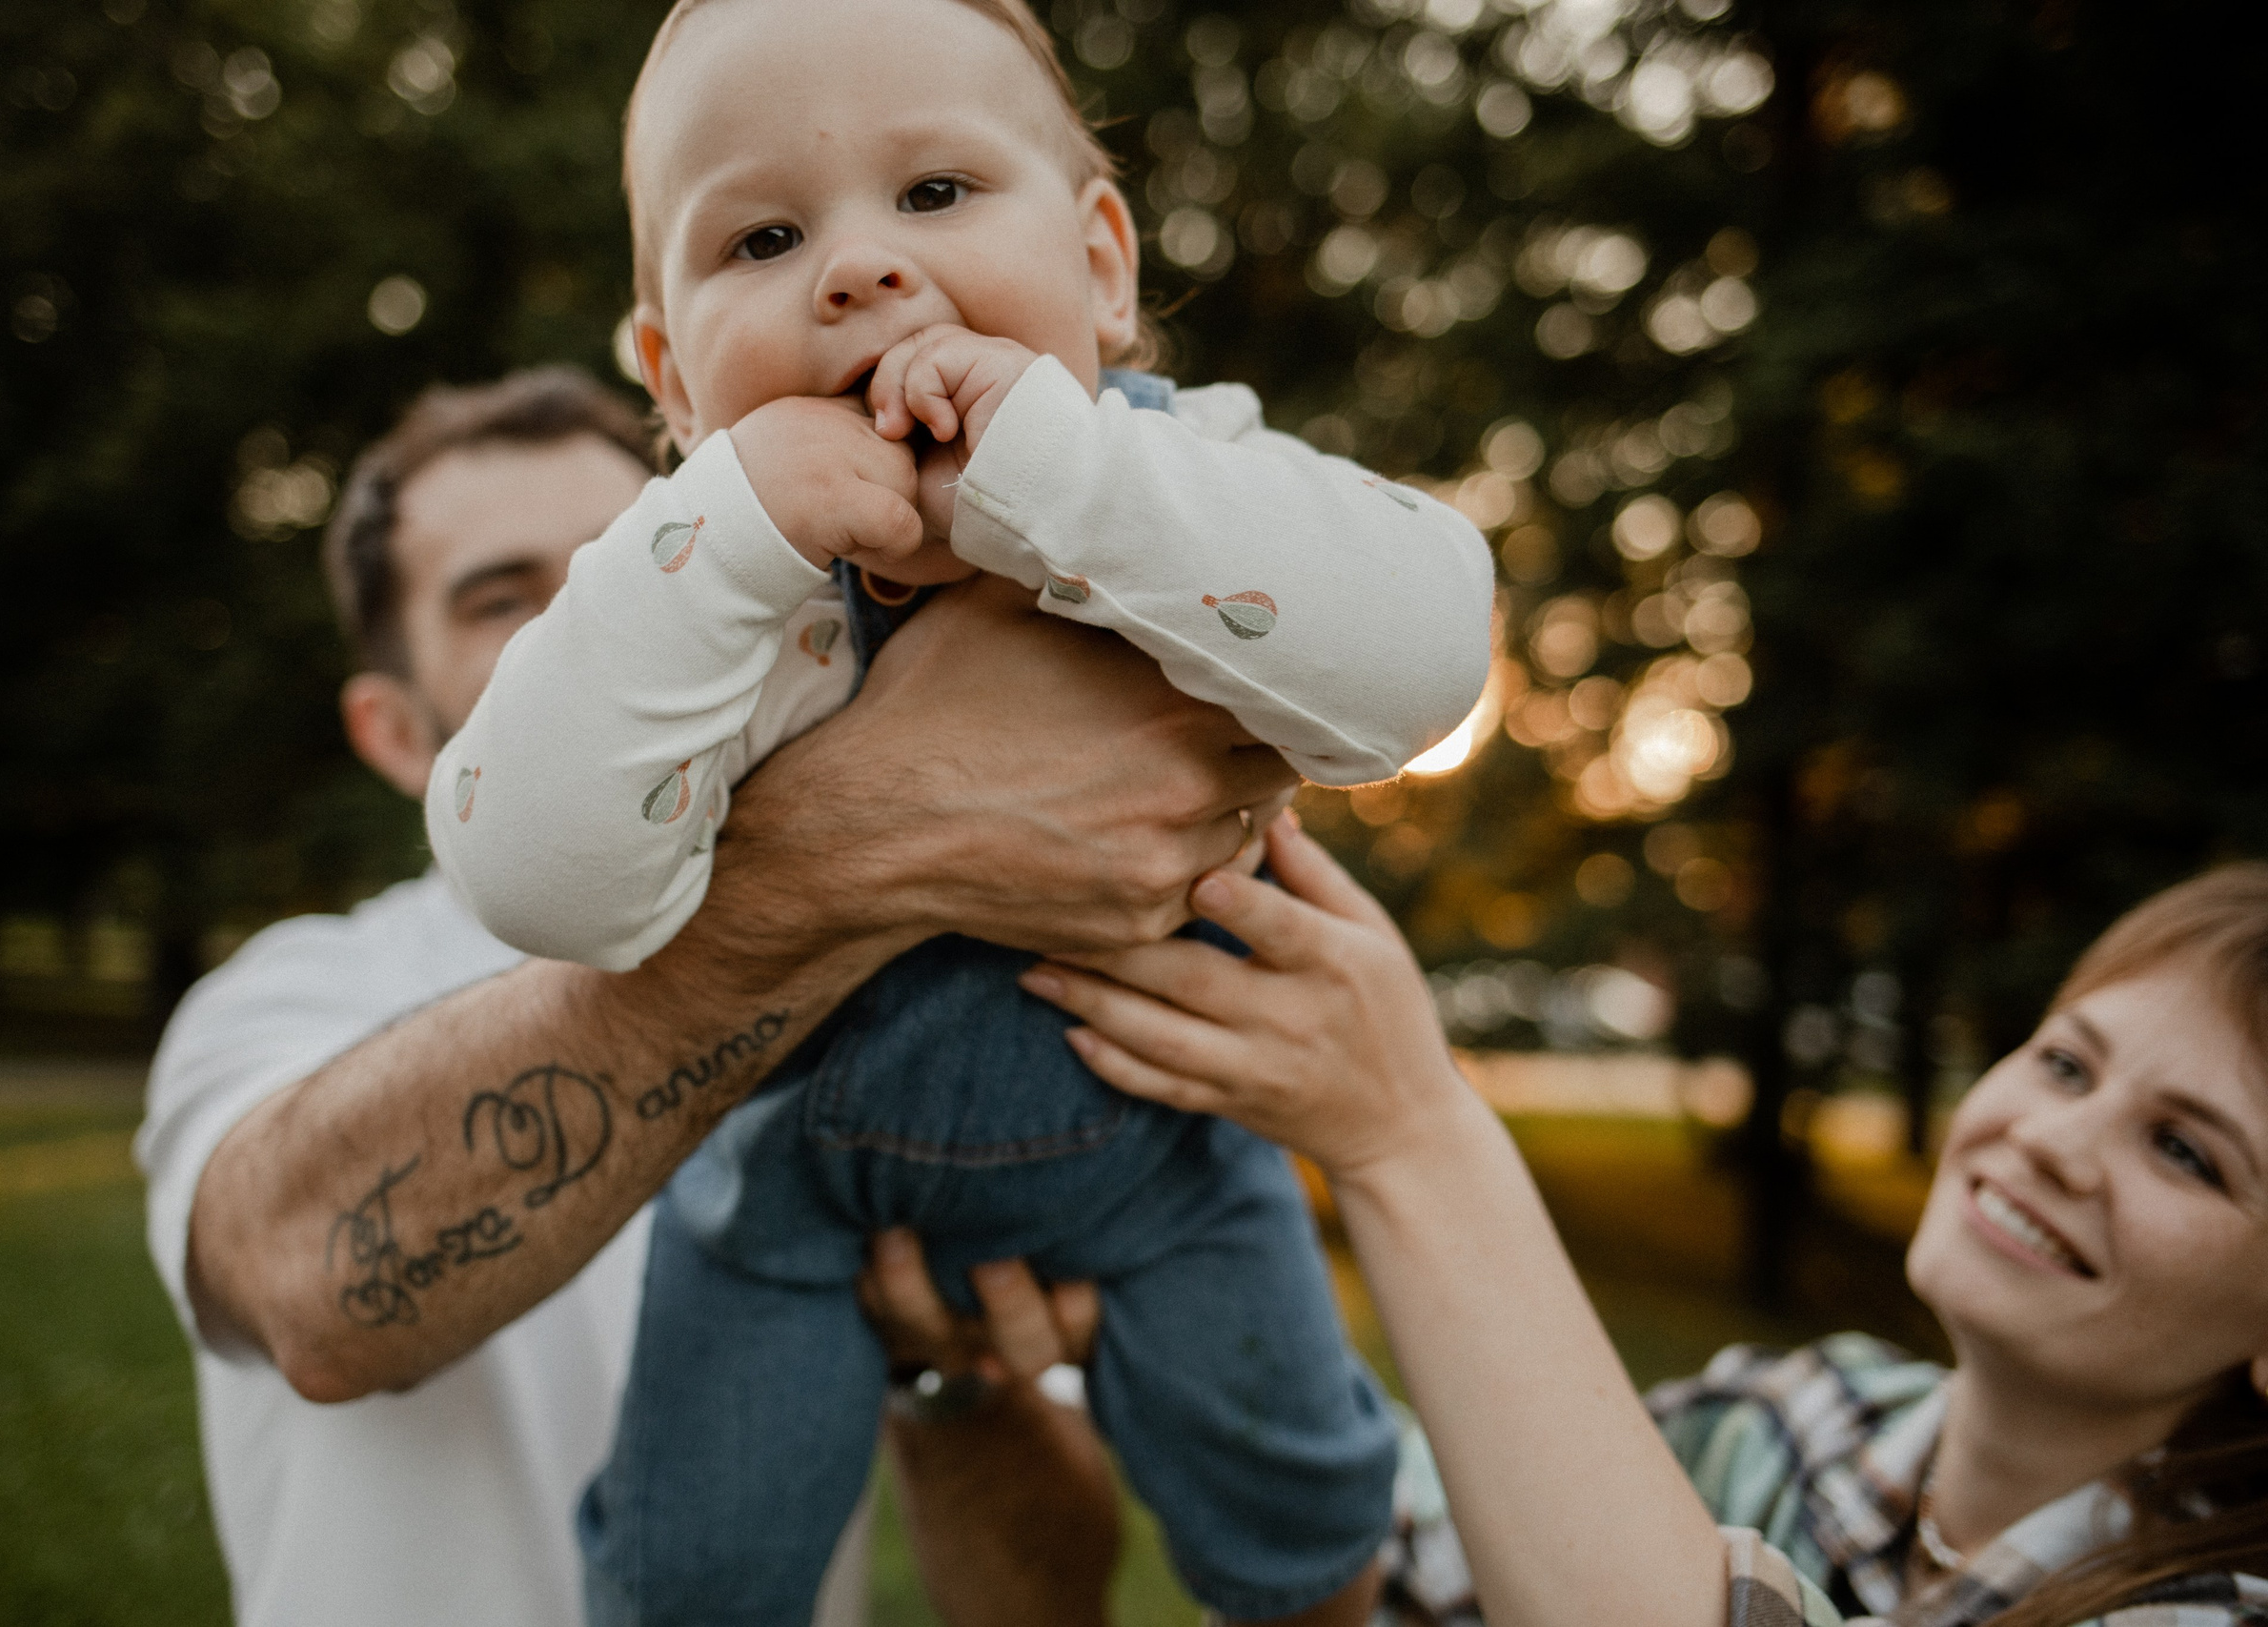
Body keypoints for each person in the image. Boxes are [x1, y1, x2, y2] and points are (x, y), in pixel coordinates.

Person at [423, 4, 1495, 1623]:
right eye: (765, 237)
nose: (856, 271)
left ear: (1103, 268)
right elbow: (532, 880)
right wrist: (714, 536)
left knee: (1302, 1526)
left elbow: (1424, 653)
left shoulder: (1186, 484)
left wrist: (1055, 476)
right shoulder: (711, 598)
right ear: (673, 378)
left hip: (1171, 1141)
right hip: (789, 1197)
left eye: (934, 195)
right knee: (691, 1575)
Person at [132, 365, 1303, 1627]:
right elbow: (310, 1297)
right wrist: (844, 853)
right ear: (397, 735)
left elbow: (1049, 1605)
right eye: (502, 601)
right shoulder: (298, 992)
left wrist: (944, 1385)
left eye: (639, 560)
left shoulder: (933, 974)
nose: (596, 627)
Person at [972, 826, 2268, 1625]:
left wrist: (1412, 1131)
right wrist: (1128, 1334)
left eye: (2185, 1151)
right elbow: (1402, 1551)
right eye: (2065, 1063)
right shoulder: (1795, 1414)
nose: (2053, 1141)